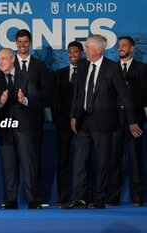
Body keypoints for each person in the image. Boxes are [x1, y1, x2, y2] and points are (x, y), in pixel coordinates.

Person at [66, 34, 143, 209]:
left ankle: (99, 199)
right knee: (80, 161)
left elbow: (125, 96)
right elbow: (78, 93)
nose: (84, 50)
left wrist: (132, 121)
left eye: (87, 47)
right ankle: (80, 197)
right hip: (83, 120)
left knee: (102, 162)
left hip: (105, 123)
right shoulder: (83, 65)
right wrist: (73, 115)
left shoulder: (112, 68)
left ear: (98, 50)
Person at [0, 48, 42, 209]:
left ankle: (32, 199)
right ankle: (11, 200)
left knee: (28, 164)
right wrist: (0, 102)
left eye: (4, 58)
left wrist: (25, 100)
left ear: (12, 59)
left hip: (24, 127)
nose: (0, 61)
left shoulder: (27, 76)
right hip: (5, 128)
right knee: (8, 165)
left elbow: (37, 101)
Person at [107, 36, 147, 207]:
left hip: (134, 119)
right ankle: (113, 195)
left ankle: (137, 195)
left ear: (133, 48)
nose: (121, 48)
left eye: (125, 45)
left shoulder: (142, 69)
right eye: (119, 45)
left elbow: (143, 94)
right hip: (114, 120)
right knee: (113, 158)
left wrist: (125, 92)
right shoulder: (111, 69)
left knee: (135, 158)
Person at [13, 29, 49, 205]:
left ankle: (34, 196)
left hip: (33, 121)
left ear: (30, 42)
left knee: (34, 159)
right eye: (19, 41)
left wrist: (27, 100)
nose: (22, 45)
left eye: (25, 41)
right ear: (15, 43)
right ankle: (12, 199)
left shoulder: (39, 65)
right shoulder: (9, 63)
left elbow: (45, 94)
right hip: (11, 122)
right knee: (12, 162)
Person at [51, 41, 84, 207]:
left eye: (75, 52)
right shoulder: (60, 73)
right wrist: (57, 119)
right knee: (63, 161)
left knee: (83, 160)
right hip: (63, 124)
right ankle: (63, 196)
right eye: (70, 52)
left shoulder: (87, 72)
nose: (72, 55)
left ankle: (84, 195)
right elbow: (54, 98)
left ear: (82, 53)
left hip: (83, 123)